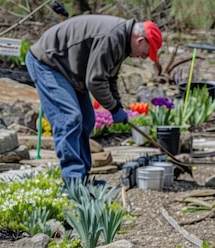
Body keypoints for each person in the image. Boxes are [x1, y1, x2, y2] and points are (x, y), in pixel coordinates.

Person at [25, 15, 162, 183]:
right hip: (48, 63)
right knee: (69, 118)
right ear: (140, 40)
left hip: (69, 70)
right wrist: (112, 108)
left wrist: (117, 106)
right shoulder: (113, 37)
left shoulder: (122, 42)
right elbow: (95, 81)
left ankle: (82, 178)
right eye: (146, 53)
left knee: (87, 120)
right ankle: (73, 182)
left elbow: (109, 78)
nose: (143, 57)